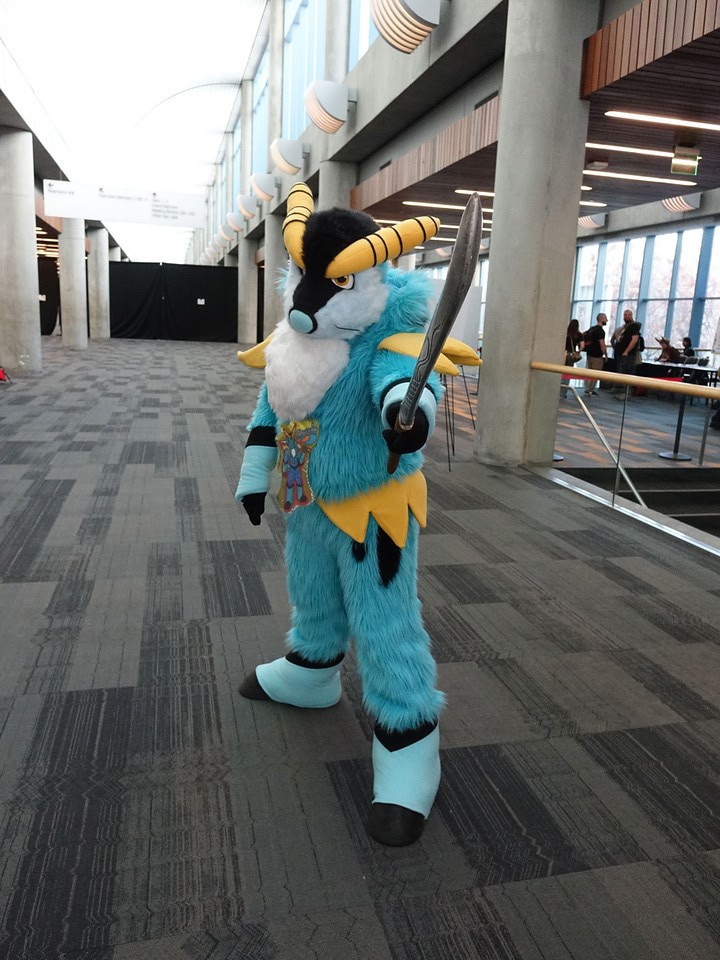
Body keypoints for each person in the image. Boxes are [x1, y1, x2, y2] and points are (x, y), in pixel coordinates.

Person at [234, 182, 479, 847]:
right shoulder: (291, 339)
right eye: (305, 280)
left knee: (383, 621)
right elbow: (271, 406)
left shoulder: (387, 330)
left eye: (335, 283)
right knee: (311, 590)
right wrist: (255, 475)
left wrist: (409, 414)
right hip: (307, 498)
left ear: (366, 278)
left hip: (374, 511)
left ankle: (408, 739)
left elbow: (403, 380)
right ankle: (312, 670)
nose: (308, 303)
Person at [613, 308, 642, 396]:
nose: (627, 317)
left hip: (628, 354)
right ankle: (620, 390)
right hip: (621, 353)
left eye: (629, 315)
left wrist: (626, 351)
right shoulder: (625, 328)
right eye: (625, 315)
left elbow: (634, 339)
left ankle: (625, 392)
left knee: (626, 372)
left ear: (632, 316)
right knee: (621, 371)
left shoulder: (634, 326)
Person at [582, 312, 608, 396]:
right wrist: (606, 355)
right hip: (597, 356)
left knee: (589, 372)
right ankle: (590, 390)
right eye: (605, 318)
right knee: (596, 373)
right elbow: (602, 345)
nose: (607, 320)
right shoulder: (601, 331)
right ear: (601, 319)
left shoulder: (592, 329)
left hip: (589, 354)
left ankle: (587, 388)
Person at [560, 318, 582, 398]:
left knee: (560, 372)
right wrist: (577, 352)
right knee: (567, 374)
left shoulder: (565, 333)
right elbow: (582, 345)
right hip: (570, 355)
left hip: (562, 354)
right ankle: (563, 393)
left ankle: (558, 390)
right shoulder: (579, 335)